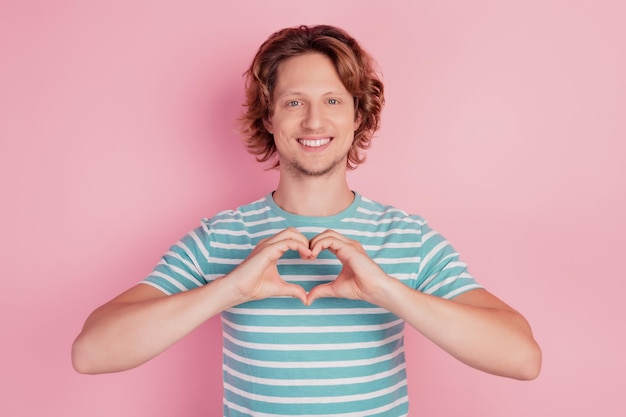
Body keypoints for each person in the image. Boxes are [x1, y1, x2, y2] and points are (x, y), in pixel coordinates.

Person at [72, 24, 541, 416]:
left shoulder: (409, 238)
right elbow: (92, 352)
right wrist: (230, 289)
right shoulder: (222, 237)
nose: (314, 122)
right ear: (270, 117)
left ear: (359, 115)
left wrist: (387, 292)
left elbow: (522, 358)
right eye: (295, 102)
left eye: (333, 101)